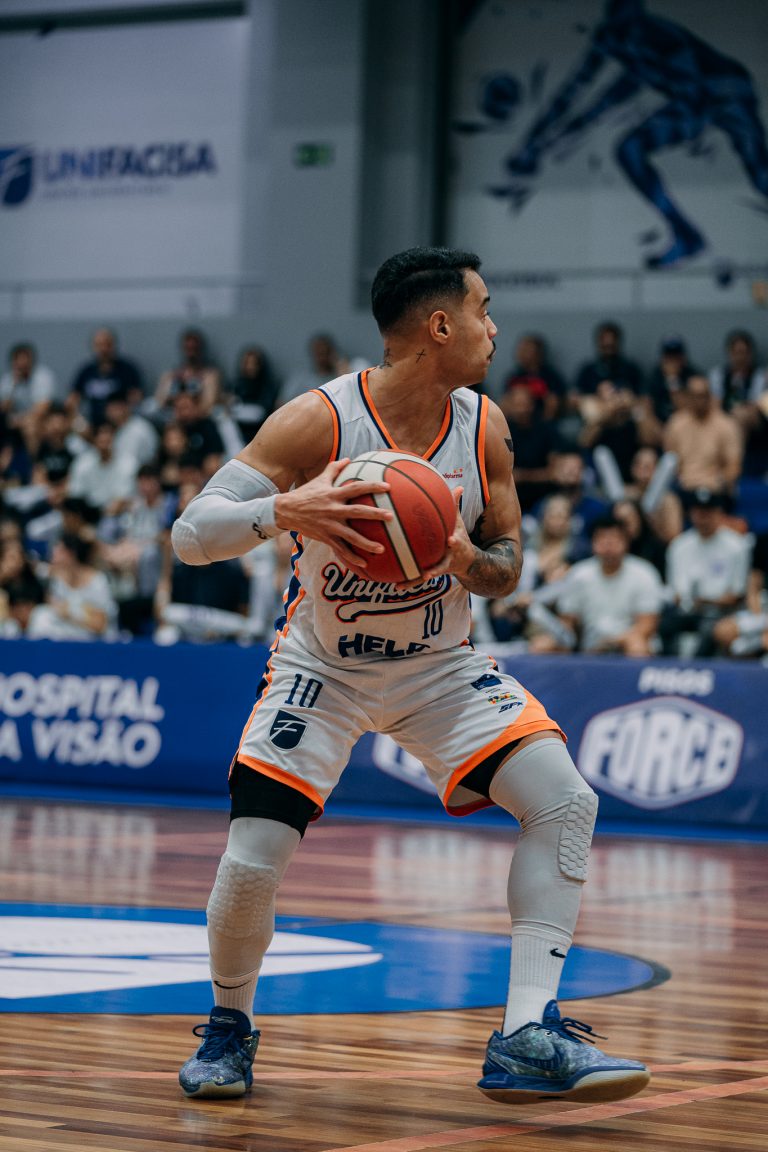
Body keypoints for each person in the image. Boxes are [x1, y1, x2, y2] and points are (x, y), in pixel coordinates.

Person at [171, 246, 649, 1104]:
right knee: (253, 856)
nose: (494, 327)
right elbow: (189, 534)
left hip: (437, 667)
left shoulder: (484, 426)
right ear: (439, 325)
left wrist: (466, 558)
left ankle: (525, 1034)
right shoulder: (317, 421)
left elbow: (507, 566)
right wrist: (285, 508)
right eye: (482, 309)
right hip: (322, 669)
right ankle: (229, 1026)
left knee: (565, 801)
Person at [663, 375, 743, 499]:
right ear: (687, 397)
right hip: (685, 487)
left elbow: (734, 466)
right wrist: (682, 479)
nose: (699, 401)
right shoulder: (675, 424)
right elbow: (669, 462)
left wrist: (719, 480)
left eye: (703, 396)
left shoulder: (726, 425)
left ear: (710, 396)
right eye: (694, 396)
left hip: (716, 488)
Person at [68, 328, 144, 433]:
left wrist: (122, 414)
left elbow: (136, 400)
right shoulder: (86, 372)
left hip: (121, 425)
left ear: (114, 345)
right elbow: (72, 401)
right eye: (99, 345)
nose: (103, 349)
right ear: (93, 347)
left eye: (107, 344)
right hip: (92, 426)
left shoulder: (127, 370)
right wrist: (79, 422)